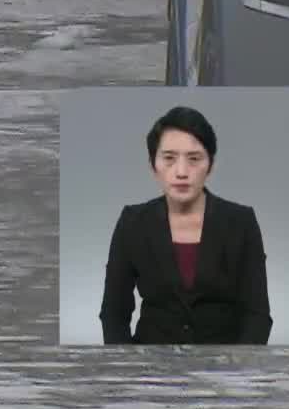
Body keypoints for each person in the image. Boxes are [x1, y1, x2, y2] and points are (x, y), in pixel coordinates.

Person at [100, 106, 271, 344]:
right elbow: (113, 314)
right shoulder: (133, 222)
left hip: (223, 369)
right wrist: (130, 372)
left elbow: (258, 316)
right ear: (153, 166)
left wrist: (239, 373)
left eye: (194, 159)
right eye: (169, 158)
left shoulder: (241, 222)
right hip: (150, 368)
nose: (181, 172)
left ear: (210, 165)